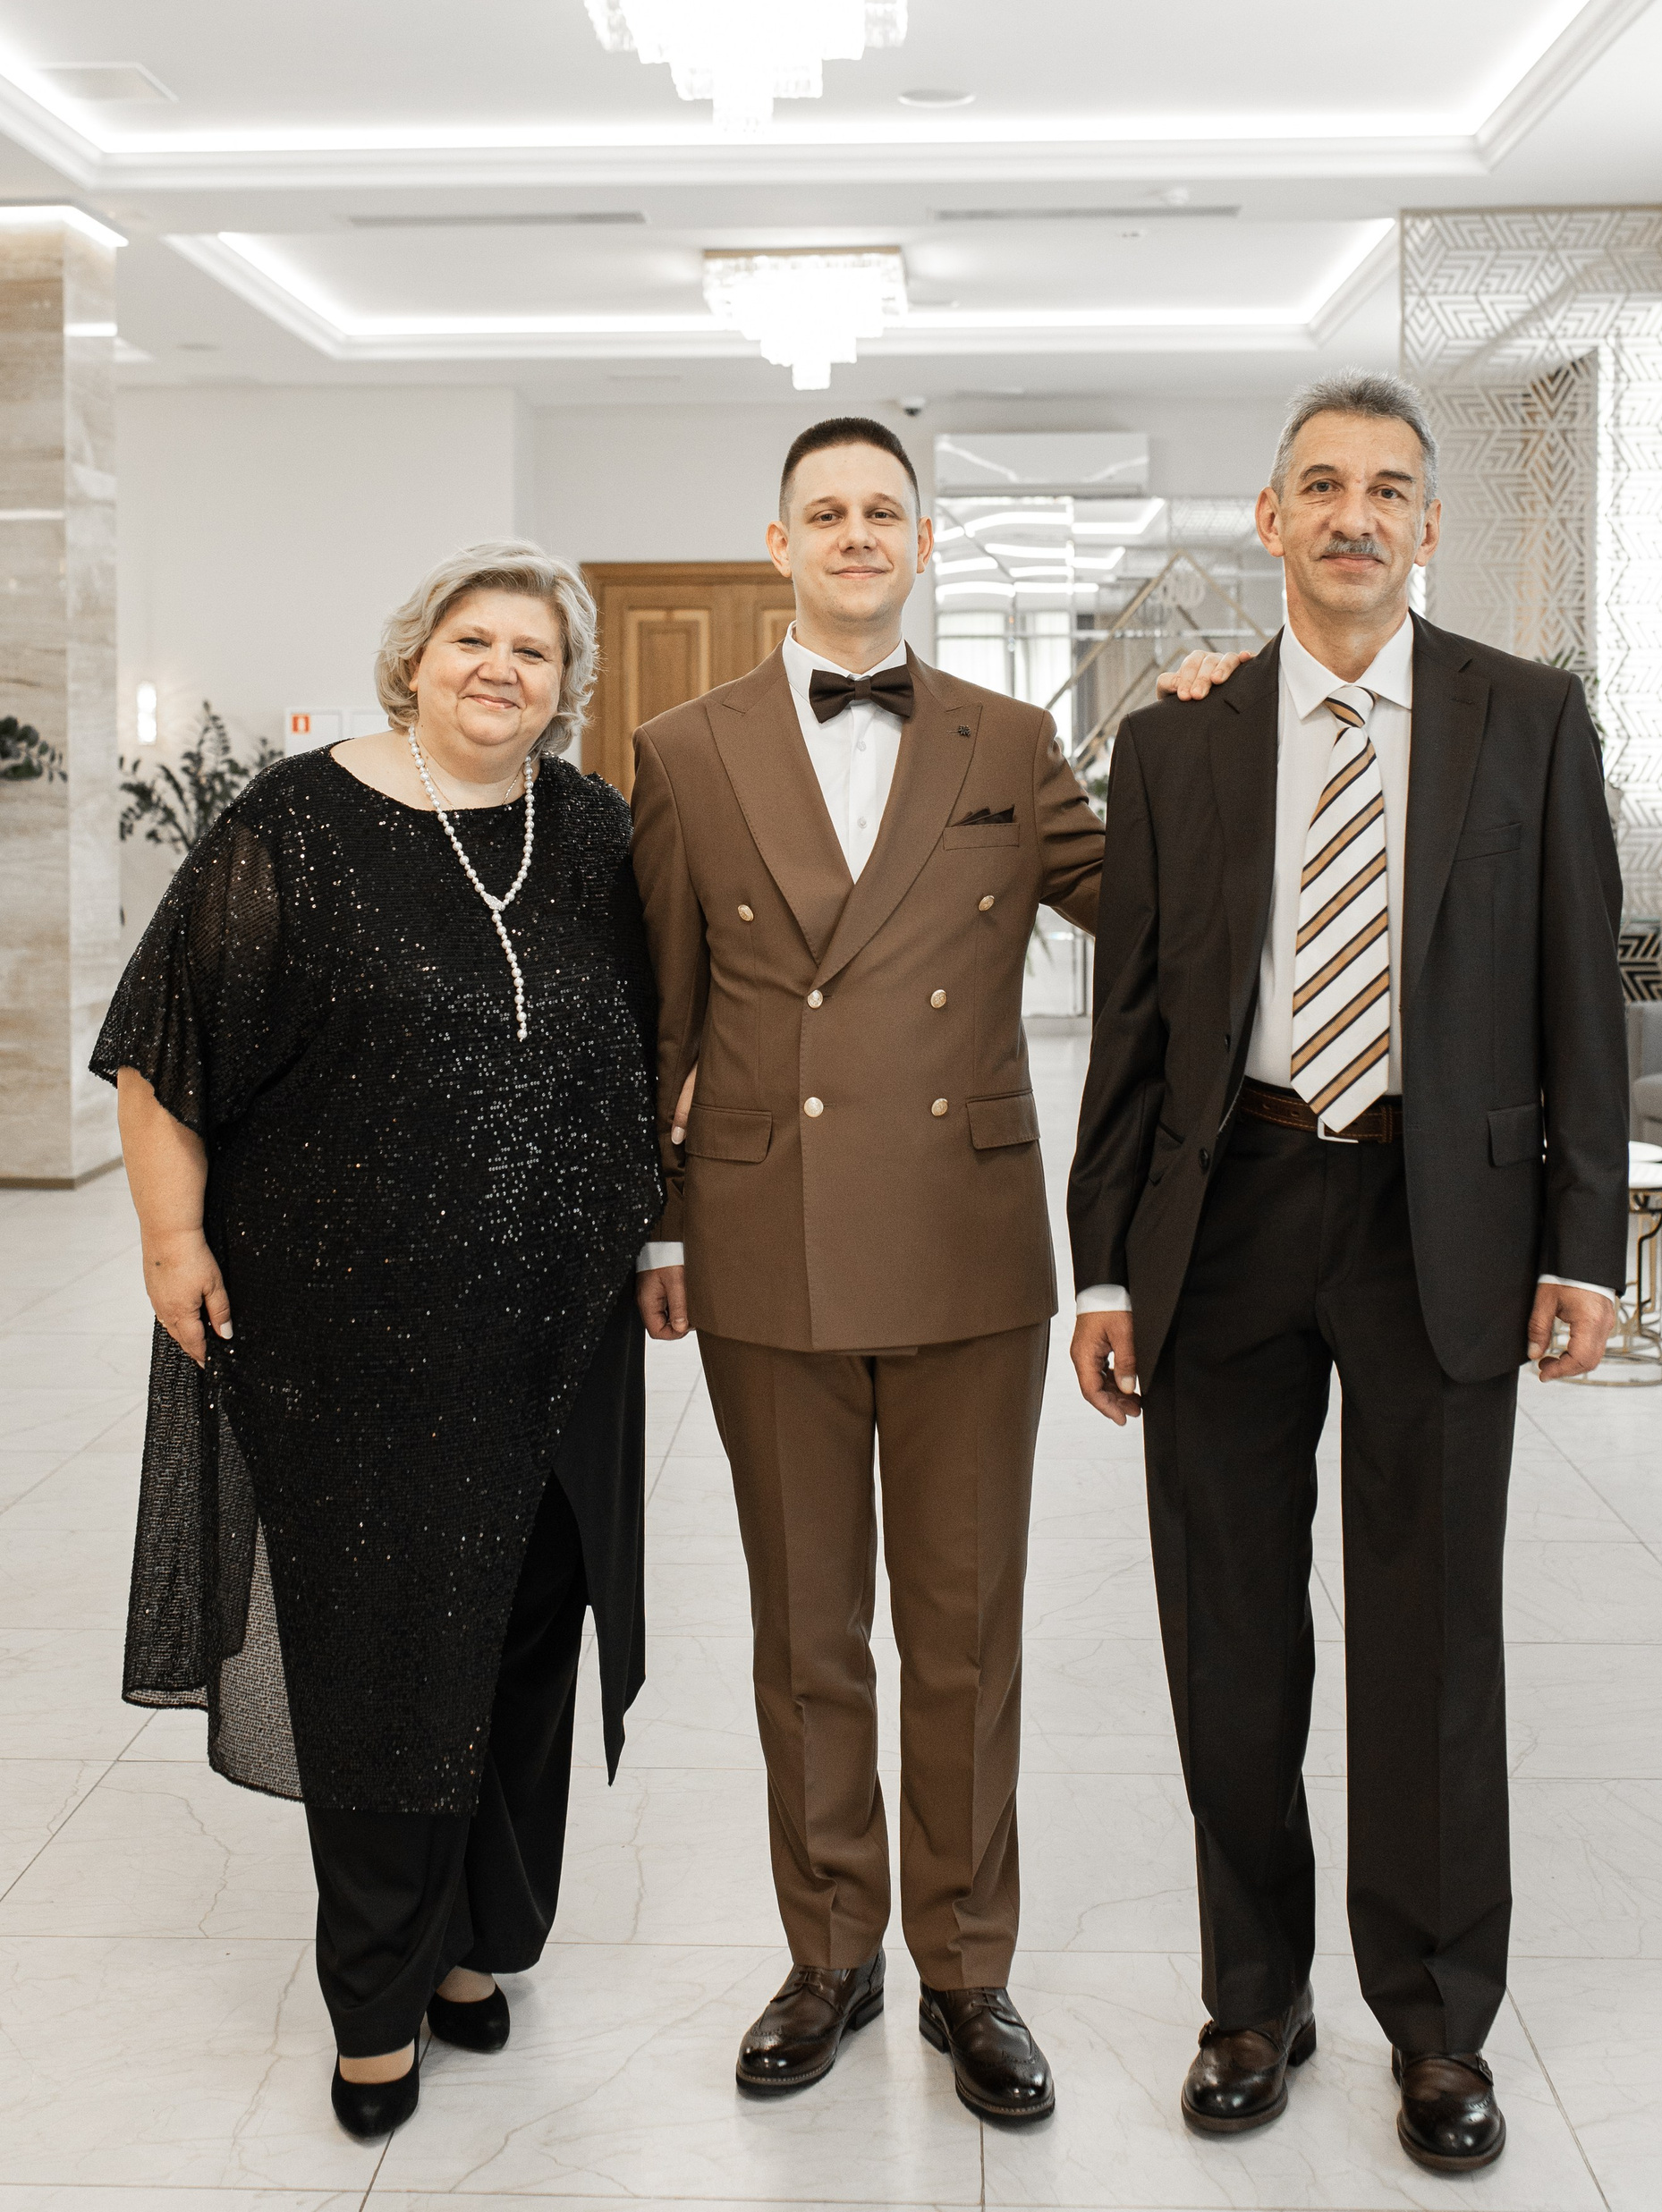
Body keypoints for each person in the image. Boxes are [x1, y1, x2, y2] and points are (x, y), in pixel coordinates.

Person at [1066, 372, 1627, 2178]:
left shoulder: (1527, 715)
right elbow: (1132, 1020)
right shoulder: (1180, 741)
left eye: (1388, 487)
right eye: (1320, 483)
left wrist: (1586, 1239)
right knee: (1228, 1631)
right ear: (1271, 518)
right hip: (1225, 1212)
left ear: (1430, 525)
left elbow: (1582, 992)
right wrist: (1101, 1268)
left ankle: (1439, 2021)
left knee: (1432, 1636)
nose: (1354, 513)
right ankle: (1255, 1996)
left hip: (1439, 1220)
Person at [94, 541, 664, 2140]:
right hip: (350, 1341)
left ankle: (474, 1942)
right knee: (380, 1657)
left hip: (554, 1345)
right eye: (474, 639)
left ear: (567, 686)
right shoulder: (293, 823)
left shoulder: (594, 832)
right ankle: (374, 1999)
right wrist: (172, 1239)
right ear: (415, 656)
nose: (502, 669)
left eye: (535, 652)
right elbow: (161, 1044)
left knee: (523, 1640)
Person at [629, 417, 1105, 2123]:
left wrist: (1228, 732)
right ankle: (829, 1950)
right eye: (823, 512)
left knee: (965, 1630)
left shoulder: (1009, 736)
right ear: (780, 542)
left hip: (969, 1242)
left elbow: (1149, 899)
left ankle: (967, 1965)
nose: (853, 533)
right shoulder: (683, 747)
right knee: (807, 1624)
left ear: (923, 539)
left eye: (881, 510)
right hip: (767, 1235)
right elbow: (660, 1009)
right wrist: (661, 1222)